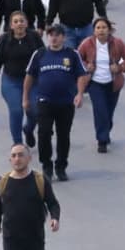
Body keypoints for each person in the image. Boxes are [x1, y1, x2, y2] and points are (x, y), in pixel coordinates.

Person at [23, 24, 88, 181]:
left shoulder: (72, 54)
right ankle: (46, 165)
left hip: (66, 103)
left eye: (57, 35)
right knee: (44, 133)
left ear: (63, 37)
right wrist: (25, 98)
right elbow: (29, 77)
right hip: (45, 101)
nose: (54, 38)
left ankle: (61, 166)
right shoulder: (40, 54)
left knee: (63, 135)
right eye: (51, 35)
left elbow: (81, 75)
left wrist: (79, 94)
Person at [77, 18, 125, 153]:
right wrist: (87, 66)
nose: (101, 30)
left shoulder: (117, 43)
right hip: (95, 83)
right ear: (94, 30)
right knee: (100, 111)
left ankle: (105, 131)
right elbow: (77, 59)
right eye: (98, 28)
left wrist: (120, 67)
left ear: (109, 30)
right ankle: (101, 140)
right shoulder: (87, 44)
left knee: (108, 113)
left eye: (104, 27)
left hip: (113, 84)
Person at [0, 145, 61, 250]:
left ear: (29, 158)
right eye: (13, 156)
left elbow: (53, 203)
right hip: (11, 239)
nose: (17, 159)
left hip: (35, 238)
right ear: (10, 160)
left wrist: (55, 218)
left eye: (21, 155)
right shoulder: (3, 181)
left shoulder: (40, 180)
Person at [0, 11, 44, 147]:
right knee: (16, 110)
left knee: (34, 110)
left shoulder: (34, 37)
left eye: (22, 21)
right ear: (11, 26)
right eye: (16, 21)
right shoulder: (4, 39)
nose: (19, 24)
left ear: (26, 23)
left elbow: (43, 56)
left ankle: (28, 129)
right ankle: (18, 143)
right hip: (11, 81)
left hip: (33, 81)